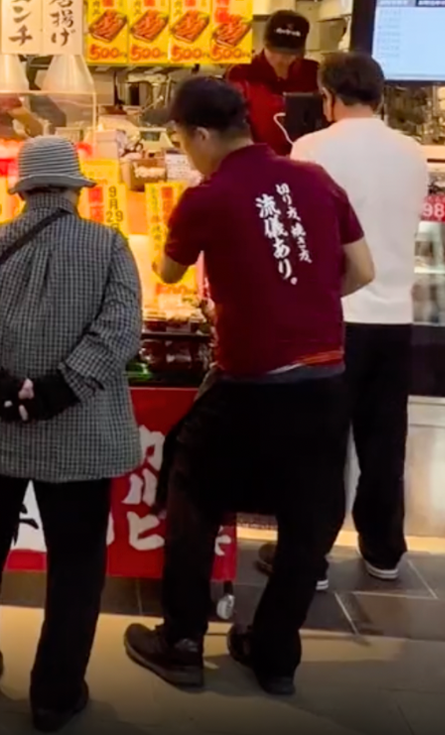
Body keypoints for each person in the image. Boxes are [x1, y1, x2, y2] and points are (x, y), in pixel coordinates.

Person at [123, 77, 374, 697]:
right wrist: (306, 301)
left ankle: (183, 642)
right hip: (324, 380)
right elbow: (363, 270)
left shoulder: (207, 197)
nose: (187, 152)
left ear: (201, 134)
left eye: (183, 141)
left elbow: (168, 272)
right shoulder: (315, 179)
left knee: (193, 496)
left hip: (249, 384)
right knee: (308, 519)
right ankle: (275, 654)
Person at [0, 136, 142, 732]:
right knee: (76, 565)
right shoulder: (109, 246)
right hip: (80, 430)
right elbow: (121, 329)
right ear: (75, 190)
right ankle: (55, 694)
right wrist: (58, 390)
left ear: (22, 190)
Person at [257, 52, 428, 587]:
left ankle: (310, 557)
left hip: (333, 315)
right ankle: (384, 550)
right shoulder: (413, 151)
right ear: (380, 96)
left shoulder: (311, 148)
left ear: (327, 97)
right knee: (385, 441)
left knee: (321, 442)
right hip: (396, 315)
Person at [226, 10, 318, 155]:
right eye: (275, 51)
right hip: (256, 158)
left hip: (305, 156)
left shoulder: (313, 72)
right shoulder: (242, 72)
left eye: (290, 54)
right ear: (265, 44)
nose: (281, 59)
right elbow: (231, 123)